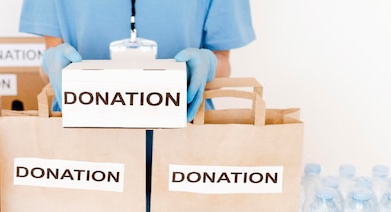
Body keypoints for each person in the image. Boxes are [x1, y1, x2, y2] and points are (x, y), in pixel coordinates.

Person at [19, 0, 256, 121]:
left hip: (184, 134)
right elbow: (52, 58)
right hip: (84, 140)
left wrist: (209, 64)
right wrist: (52, 64)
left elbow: (222, 61)